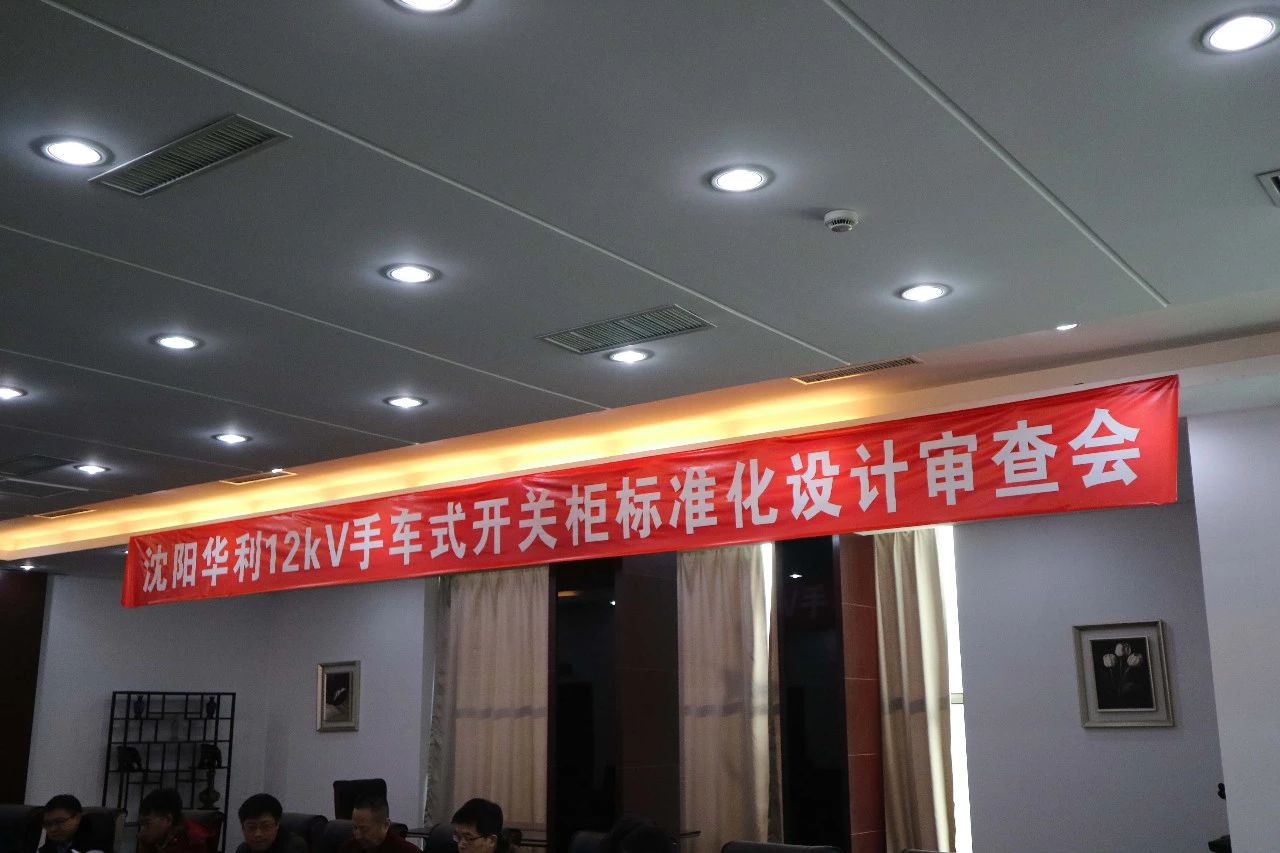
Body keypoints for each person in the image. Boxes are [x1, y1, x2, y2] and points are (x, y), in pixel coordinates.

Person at [136, 789, 208, 853]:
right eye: (142, 824)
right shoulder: (159, 838)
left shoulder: (192, 841)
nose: (140, 834)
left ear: (168, 820)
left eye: (146, 823)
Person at [339, 797, 416, 853]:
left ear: (386, 825)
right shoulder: (348, 849)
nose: (358, 836)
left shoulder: (408, 851)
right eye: (355, 827)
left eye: (364, 829)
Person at [234, 795, 306, 853]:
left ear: (277, 824)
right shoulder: (243, 849)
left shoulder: (294, 846)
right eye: (251, 828)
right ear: (243, 828)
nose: (258, 834)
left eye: (265, 826)